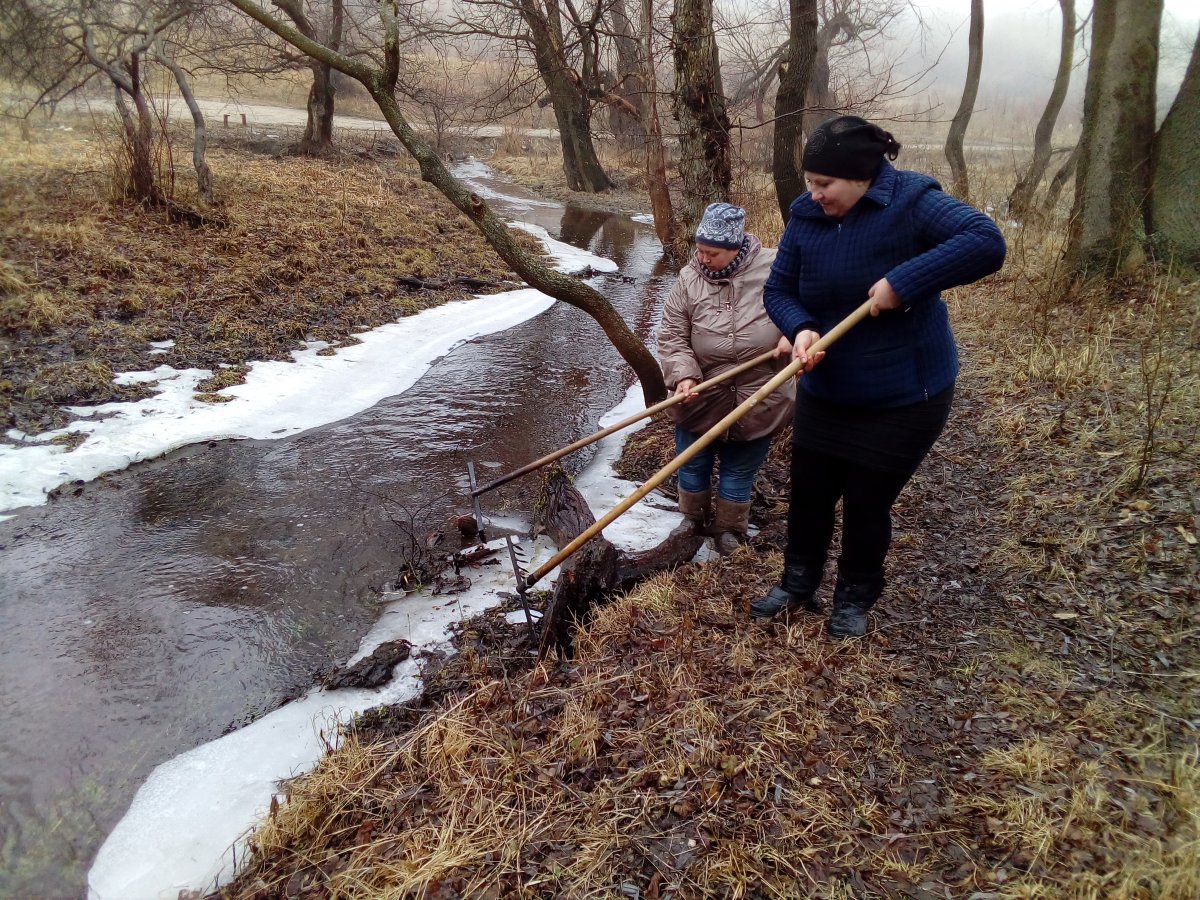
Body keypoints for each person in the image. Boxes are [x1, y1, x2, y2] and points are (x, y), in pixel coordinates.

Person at [752, 115, 1006, 637]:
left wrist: (904, 281)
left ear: (861, 175)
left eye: (825, 184)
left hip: (904, 394)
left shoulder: (911, 201)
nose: (815, 194)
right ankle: (798, 583)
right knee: (810, 492)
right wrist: (799, 329)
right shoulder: (806, 217)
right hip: (829, 387)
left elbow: (985, 240)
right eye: (810, 183)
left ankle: (854, 598)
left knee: (868, 500)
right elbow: (779, 290)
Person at [658, 202, 795, 555]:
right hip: (702, 391)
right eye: (700, 250)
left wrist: (796, 329)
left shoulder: (775, 266)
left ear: (736, 248)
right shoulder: (689, 279)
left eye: (712, 253)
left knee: (739, 469)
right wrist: (684, 376)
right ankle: (692, 521)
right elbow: (672, 334)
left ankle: (730, 530)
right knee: (692, 462)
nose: (703, 258)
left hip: (759, 392)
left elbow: (810, 301)